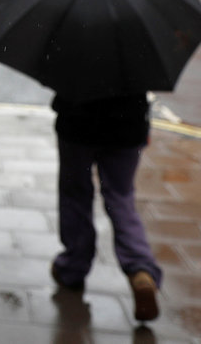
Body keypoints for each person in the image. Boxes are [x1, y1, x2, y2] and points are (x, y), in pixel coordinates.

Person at [49, 92, 162, 322]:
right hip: (128, 125)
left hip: (78, 123)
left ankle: (73, 266)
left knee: (76, 195)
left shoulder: (78, 64)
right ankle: (140, 270)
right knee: (121, 198)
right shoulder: (138, 65)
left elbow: (62, 81)